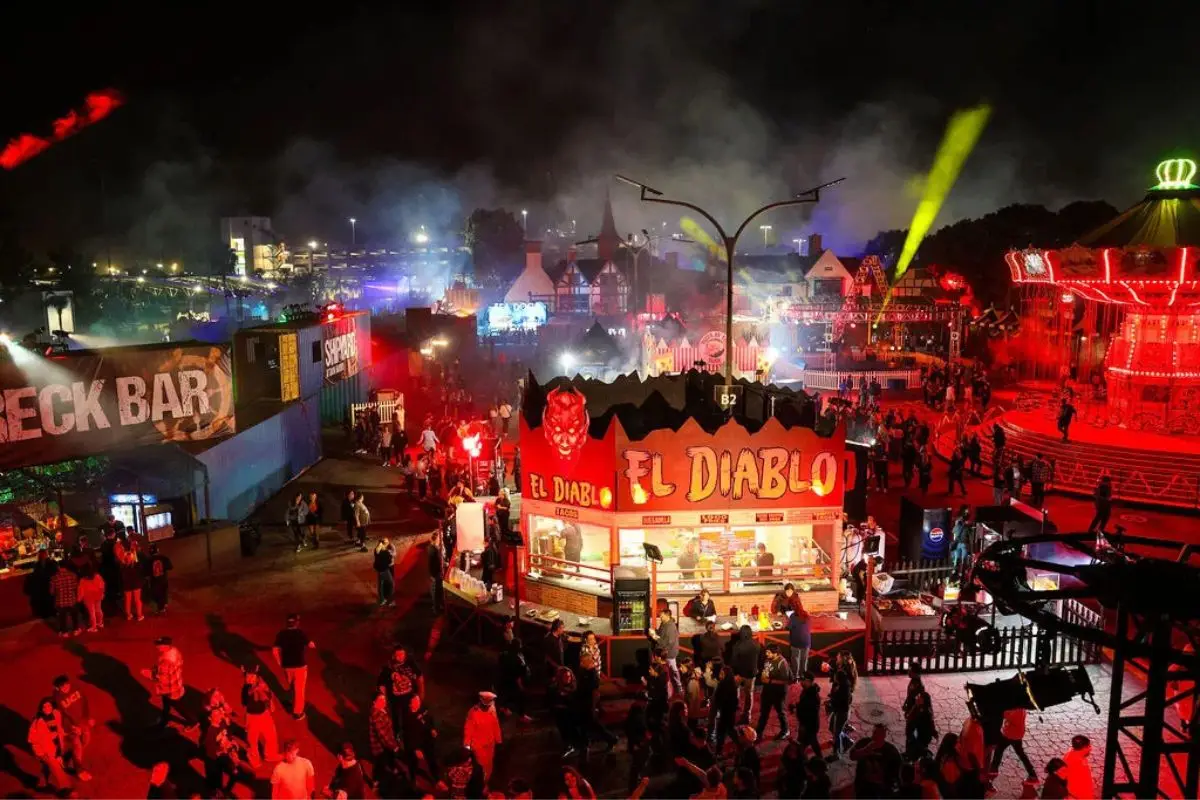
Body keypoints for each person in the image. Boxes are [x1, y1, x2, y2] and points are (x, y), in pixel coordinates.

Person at [142, 636, 193, 730]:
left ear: (166, 646)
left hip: (170, 688)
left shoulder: (166, 660)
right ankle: (164, 721)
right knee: (167, 704)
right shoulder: (174, 651)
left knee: (177, 706)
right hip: (176, 683)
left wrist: (148, 674)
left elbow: (161, 678)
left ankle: (192, 721)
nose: (157, 647)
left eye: (159, 645)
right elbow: (180, 662)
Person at [272, 613, 315, 720]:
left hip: (287, 666)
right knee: (299, 690)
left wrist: (279, 662)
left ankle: (294, 703)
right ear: (296, 623)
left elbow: (274, 650)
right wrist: (311, 644)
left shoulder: (281, 634)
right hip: (300, 666)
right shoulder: (300, 633)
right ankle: (298, 713)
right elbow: (311, 645)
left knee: (292, 686)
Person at [52, 675, 93, 781]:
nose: (66, 687)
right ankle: (79, 771)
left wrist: (88, 717)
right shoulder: (57, 700)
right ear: (57, 688)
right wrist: (72, 727)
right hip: (71, 727)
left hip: (82, 721)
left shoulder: (76, 689)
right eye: (62, 686)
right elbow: (61, 717)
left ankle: (69, 756)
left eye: (67, 684)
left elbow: (85, 702)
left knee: (86, 740)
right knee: (77, 746)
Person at [29, 697, 71, 792]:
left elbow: (59, 730)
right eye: (44, 707)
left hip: (54, 746)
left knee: (46, 767)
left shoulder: (56, 714)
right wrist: (50, 754)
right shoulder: (38, 721)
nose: (46, 708)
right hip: (43, 750)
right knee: (57, 768)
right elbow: (34, 740)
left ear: (52, 706)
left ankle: (41, 784)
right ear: (41, 708)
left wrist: (63, 736)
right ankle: (66, 789)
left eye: (49, 706)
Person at [849, 722, 903, 798]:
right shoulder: (864, 743)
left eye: (879, 733)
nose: (876, 735)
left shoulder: (891, 750)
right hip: (863, 787)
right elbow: (852, 756)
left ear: (884, 735)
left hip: (883, 789)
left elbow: (898, 771)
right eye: (875, 732)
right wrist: (865, 751)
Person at [379, 646, 425, 734]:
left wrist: (421, 692)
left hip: (409, 697)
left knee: (409, 716)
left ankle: (410, 733)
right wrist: (383, 698)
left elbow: (419, 676)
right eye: (398, 655)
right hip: (395, 699)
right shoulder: (387, 668)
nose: (401, 657)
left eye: (402, 654)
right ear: (393, 656)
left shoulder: (410, 663)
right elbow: (381, 684)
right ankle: (396, 734)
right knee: (395, 717)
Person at [242, 665, 280, 768]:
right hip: (252, 718)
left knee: (271, 736)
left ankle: (270, 755)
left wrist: (266, 692)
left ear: (257, 677)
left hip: (264, 715)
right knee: (252, 741)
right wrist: (257, 688)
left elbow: (269, 696)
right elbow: (246, 697)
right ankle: (254, 760)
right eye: (247, 676)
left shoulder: (263, 685)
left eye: (252, 676)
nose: (250, 679)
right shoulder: (246, 689)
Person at [463, 691, 502, 786]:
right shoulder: (473, 713)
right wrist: (467, 746)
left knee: (489, 766)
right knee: (481, 767)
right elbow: (468, 730)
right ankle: (481, 786)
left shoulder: (492, 709)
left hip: (490, 743)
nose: (487, 706)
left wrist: (498, 740)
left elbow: (495, 725)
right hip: (478, 746)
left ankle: (485, 784)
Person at [755, 645, 792, 740]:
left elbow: (786, 680)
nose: (766, 654)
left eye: (769, 652)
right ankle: (759, 732)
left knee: (781, 712)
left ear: (776, 653)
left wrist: (770, 681)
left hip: (778, 692)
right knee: (764, 713)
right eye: (766, 652)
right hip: (767, 690)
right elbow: (766, 670)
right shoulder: (767, 660)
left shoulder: (782, 663)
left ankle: (785, 730)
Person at [991, 706, 1037, 782]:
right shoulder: (1021, 707)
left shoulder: (1016, 709)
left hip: (1010, 734)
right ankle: (1032, 775)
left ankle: (993, 770)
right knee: (1021, 754)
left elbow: (1006, 715)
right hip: (1017, 734)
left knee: (998, 751)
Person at [648, 605, 682, 695]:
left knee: (673, 670)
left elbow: (668, 643)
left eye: (662, 616)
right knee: (666, 670)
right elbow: (660, 633)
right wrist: (654, 631)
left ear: (667, 616)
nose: (660, 617)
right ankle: (667, 686)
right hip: (663, 652)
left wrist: (655, 637)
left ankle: (679, 687)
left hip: (669, 653)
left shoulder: (671, 627)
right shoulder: (664, 623)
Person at [730, 625, 761, 724]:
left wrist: (735, 673)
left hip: (739, 673)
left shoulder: (738, 645)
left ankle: (735, 707)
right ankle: (747, 715)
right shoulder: (756, 644)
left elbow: (734, 661)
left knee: (735, 691)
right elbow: (760, 658)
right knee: (749, 694)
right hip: (751, 673)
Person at [497, 638, 532, 722]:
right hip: (513, 681)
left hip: (505, 680)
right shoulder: (516, 656)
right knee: (520, 696)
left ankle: (505, 709)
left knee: (508, 696)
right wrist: (520, 683)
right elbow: (519, 670)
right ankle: (520, 715)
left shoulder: (505, 654)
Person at [794, 671, 823, 759]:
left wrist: (803, 725)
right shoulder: (806, 690)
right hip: (805, 724)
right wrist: (797, 706)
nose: (800, 682)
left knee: (808, 743)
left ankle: (819, 761)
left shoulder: (813, 696)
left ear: (809, 681)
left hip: (809, 725)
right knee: (806, 743)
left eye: (802, 680)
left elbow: (810, 713)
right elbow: (804, 705)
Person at [50, 562, 80, 637]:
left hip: (60, 601)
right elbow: (76, 588)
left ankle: (64, 632)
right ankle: (76, 630)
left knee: (62, 617)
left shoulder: (54, 578)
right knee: (74, 616)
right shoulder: (73, 575)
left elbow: (52, 592)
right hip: (72, 600)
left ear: (58, 567)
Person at [904, 691, 937, 760]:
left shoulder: (923, 712)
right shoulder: (923, 708)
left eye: (919, 697)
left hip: (918, 739)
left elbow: (910, 719)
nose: (917, 698)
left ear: (923, 700)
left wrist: (912, 737)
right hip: (920, 739)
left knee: (914, 755)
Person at [1061, 735, 1094, 800]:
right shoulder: (1079, 764)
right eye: (1089, 746)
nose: (1091, 748)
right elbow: (1083, 787)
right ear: (1084, 747)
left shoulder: (1070, 754)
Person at [787, 601, 812, 679]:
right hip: (806, 641)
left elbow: (788, 627)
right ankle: (803, 676)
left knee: (795, 659)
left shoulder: (793, 616)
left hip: (796, 641)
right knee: (804, 659)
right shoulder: (806, 614)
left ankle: (795, 676)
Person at [374, 537, 396, 606]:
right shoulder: (386, 552)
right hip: (385, 570)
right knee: (391, 584)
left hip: (379, 570)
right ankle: (390, 601)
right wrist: (390, 554)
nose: (388, 543)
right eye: (386, 543)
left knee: (380, 585)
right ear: (384, 544)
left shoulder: (376, 550)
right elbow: (389, 562)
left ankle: (382, 600)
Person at [428, 535, 445, 614]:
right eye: (438, 538)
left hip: (437, 572)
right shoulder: (432, 549)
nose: (439, 540)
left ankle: (438, 606)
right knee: (436, 591)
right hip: (435, 573)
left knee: (439, 589)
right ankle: (435, 608)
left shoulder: (434, 548)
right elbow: (433, 562)